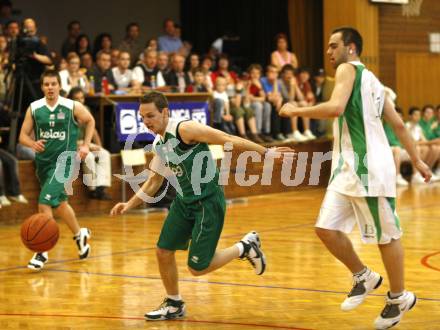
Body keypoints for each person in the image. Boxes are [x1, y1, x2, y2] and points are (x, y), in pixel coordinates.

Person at [279, 27, 432, 329]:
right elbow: (399, 125)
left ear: (350, 49)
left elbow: (336, 108)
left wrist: (297, 109)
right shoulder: (374, 81)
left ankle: (399, 296)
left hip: (368, 168)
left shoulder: (348, 70)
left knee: (386, 236)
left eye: (334, 46)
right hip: (346, 167)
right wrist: (416, 160)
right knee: (325, 229)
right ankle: (364, 276)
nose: (328, 52)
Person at [110, 91, 294, 321]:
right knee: (163, 251)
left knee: (197, 268)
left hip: (207, 202)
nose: (146, 121)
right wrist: (129, 203)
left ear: (165, 112)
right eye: (142, 117)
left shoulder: (185, 129)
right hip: (184, 202)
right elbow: (154, 180)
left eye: (151, 116)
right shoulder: (159, 143)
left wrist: (266, 152)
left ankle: (244, 248)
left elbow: (228, 138)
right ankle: (174, 303)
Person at [19, 69, 95, 270]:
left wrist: (86, 145)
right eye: (46, 84)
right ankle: (80, 236)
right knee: (60, 204)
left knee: (44, 201)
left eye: (54, 84)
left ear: (59, 86)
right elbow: (22, 136)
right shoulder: (34, 108)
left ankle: (42, 252)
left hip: (65, 161)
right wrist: (32, 143)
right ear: (42, 86)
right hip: (43, 163)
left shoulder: (71, 106)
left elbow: (90, 121)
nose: (50, 87)